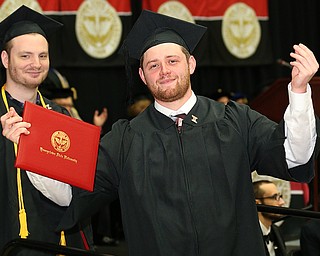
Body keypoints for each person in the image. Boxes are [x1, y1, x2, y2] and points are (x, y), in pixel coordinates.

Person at [4, 10, 319, 256]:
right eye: (153, 65)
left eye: (172, 61)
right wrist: (31, 151)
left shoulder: (234, 121)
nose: (164, 71)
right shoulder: (126, 139)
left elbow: (294, 156)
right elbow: (72, 193)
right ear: (142, 75)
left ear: (191, 64)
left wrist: (299, 92)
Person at [0, 5, 93, 255]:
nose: (36, 64)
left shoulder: (61, 117)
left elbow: (75, 195)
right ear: (5, 59)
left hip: (56, 244)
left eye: (43, 56)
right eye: (25, 56)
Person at [254, 180, 287, 256]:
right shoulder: (246, 235)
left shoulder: (276, 231)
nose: (282, 202)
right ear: (257, 203)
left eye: (280, 196)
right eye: (274, 197)